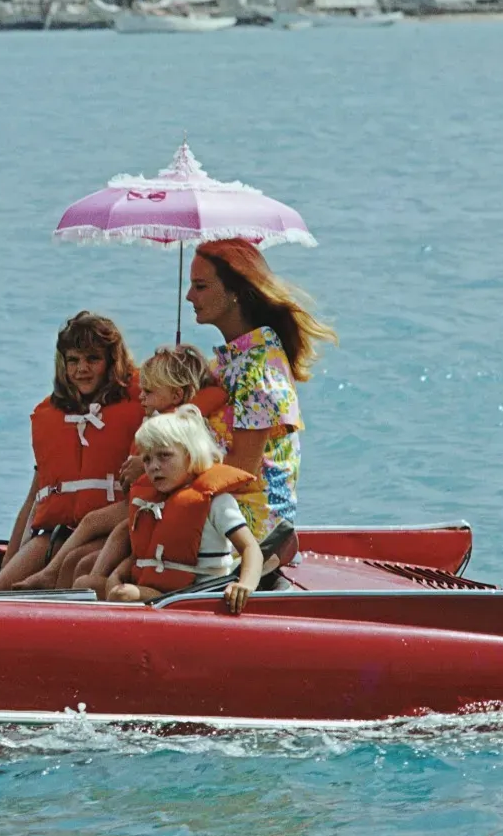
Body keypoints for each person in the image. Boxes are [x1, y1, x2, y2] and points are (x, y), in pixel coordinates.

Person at [23, 344, 224, 590]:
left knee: (94, 533)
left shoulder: (180, 427)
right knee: (93, 525)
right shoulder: (159, 419)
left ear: (176, 395)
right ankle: (60, 578)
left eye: (148, 392)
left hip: (156, 504)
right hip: (141, 500)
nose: (141, 397)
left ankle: (77, 580)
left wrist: (144, 465)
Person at [185, 239, 336, 541]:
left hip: (253, 526)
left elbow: (242, 470)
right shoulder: (228, 362)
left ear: (236, 293)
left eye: (200, 286)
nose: (189, 296)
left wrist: (171, 474)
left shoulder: (258, 370)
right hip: (219, 506)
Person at [0, 311, 141, 590]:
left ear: (112, 362)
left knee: (71, 570)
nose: (81, 369)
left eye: (92, 359)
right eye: (73, 360)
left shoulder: (139, 406)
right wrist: (8, 560)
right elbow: (35, 496)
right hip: (57, 531)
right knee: (1, 588)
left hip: (109, 528)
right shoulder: (52, 416)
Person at [102, 408, 263, 613]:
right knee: (85, 582)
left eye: (164, 456)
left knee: (122, 595)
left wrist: (246, 585)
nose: (154, 467)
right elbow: (142, 554)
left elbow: (250, 548)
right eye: (147, 459)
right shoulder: (151, 503)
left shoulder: (216, 503)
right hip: (160, 590)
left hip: (197, 596)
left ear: (190, 455)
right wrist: (116, 575)